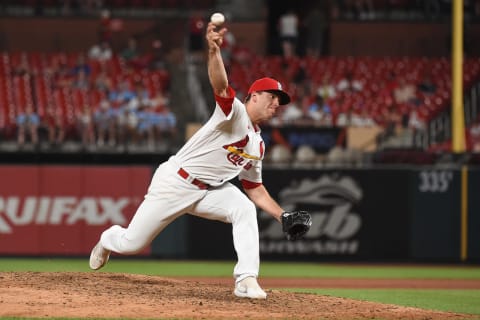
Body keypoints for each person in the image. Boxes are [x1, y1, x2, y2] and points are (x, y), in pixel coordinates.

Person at [89, 22, 296, 300]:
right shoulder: (235, 114)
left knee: (244, 209)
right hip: (175, 182)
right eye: (272, 97)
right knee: (132, 243)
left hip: (208, 191)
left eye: (279, 102)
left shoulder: (258, 144)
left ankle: (246, 279)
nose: (275, 104)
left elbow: (254, 187)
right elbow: (221, 85)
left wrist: (281, 215)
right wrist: (213, 50)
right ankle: (107, 239)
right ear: (254, 96)